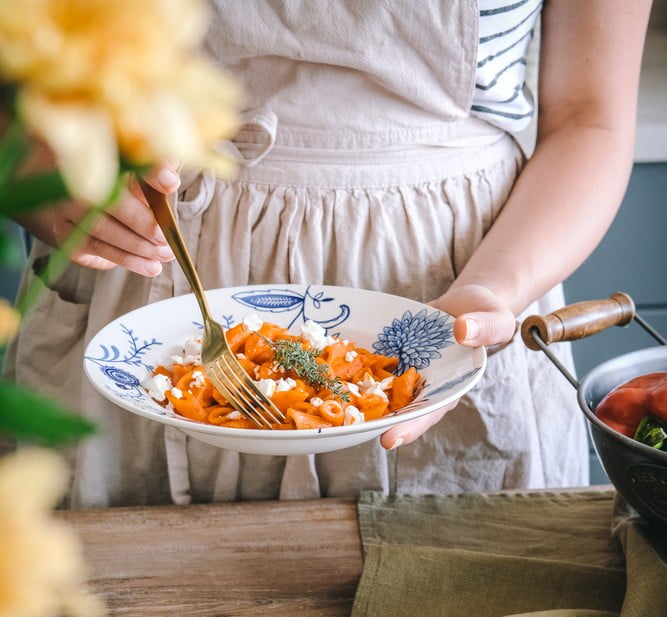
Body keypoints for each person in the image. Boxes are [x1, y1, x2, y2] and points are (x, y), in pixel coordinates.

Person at [3, 0, 653, 506]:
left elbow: (588, 119)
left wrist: (493, 289)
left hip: (467, 262)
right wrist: (28, 174)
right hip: (147, 267)